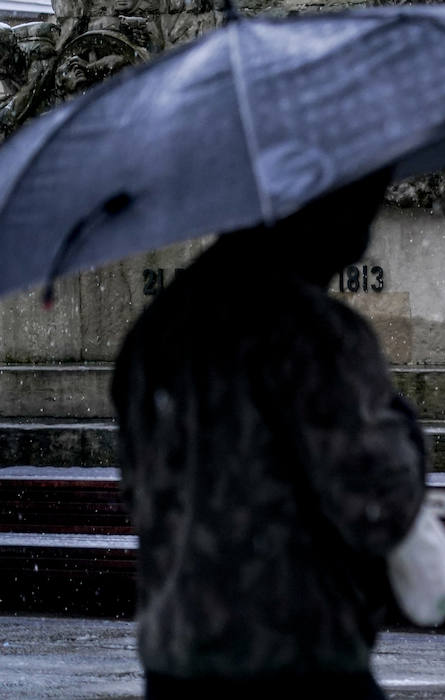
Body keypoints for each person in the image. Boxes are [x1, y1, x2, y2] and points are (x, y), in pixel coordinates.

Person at [111, 170, 427, 698]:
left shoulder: (151, 336)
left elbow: (139, 493)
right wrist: (401, 422)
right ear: (305, 203)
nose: (366, 225)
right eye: (357, 199)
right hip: (298, 660)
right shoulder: (311, 332)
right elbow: (383, 504)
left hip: (178, 658)